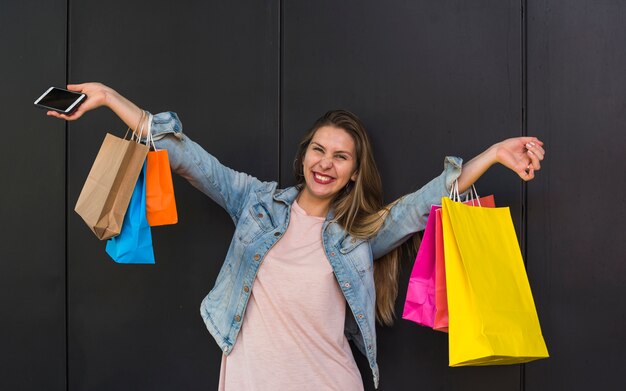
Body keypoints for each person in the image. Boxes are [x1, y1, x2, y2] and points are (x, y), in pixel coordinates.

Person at [48, 82, 545, 390]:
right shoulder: (256, 203)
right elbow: (185, 156)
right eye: (319, 150)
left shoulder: (358, 234)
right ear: (305, 153)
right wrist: (111, 97)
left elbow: (421, 206)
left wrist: (495, 153)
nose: (326, 163)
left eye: (341, 156)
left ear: (353, 172)